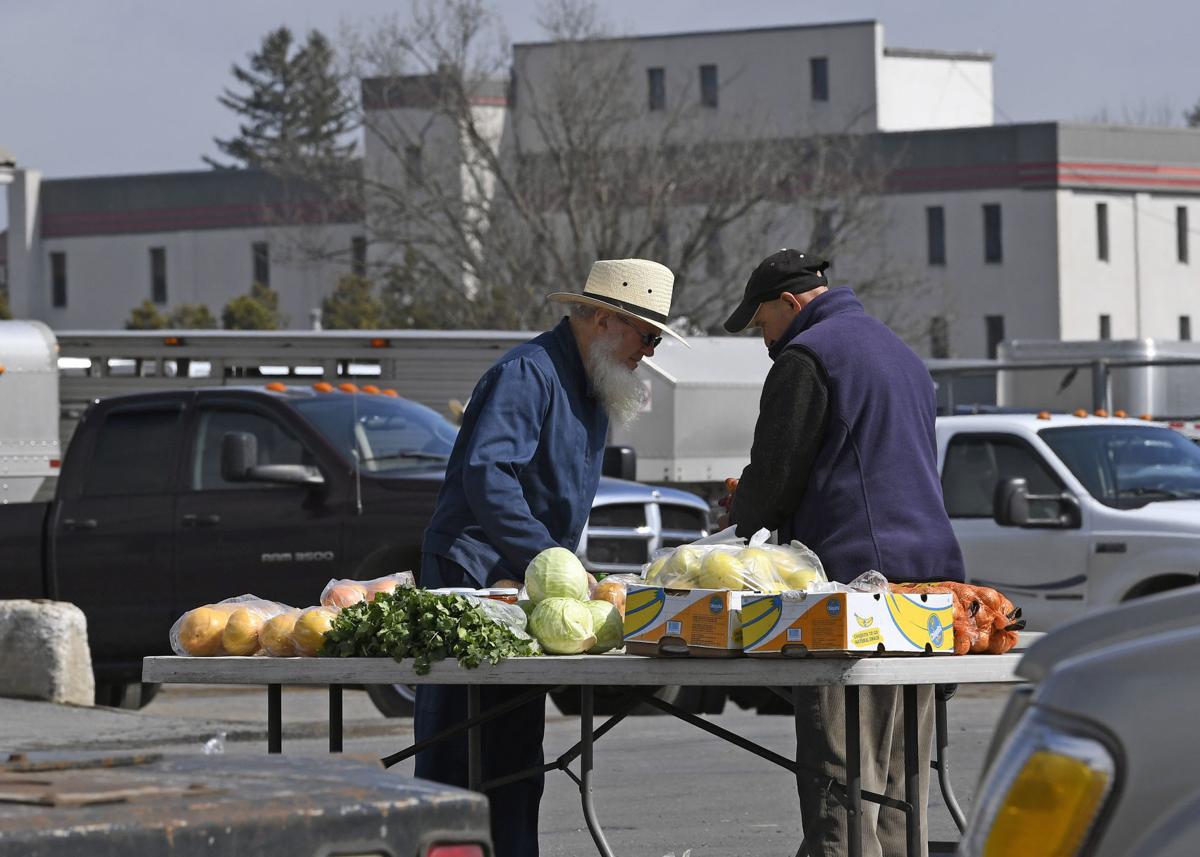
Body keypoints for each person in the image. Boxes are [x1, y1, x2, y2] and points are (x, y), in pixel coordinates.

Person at [415, 258, 687, 857]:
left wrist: (554, 569)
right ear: (605, 321)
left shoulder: (590, 380)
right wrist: (550, 560)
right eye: (647, 337)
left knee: (513, 752)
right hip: (475, 573)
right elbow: (490, 476)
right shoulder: (528, 373)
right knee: (461, 749)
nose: (648, 353)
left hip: (524, 578)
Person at [722, 248, 965, 857]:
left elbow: (775, 478)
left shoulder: (807, 357)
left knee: (844, 787)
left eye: (762, 323)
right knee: (903, 788)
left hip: (854, 597)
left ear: (789, 302)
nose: (765, 340)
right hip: (928, 593)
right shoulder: (902, 354)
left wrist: (740, 513)